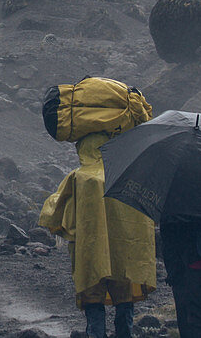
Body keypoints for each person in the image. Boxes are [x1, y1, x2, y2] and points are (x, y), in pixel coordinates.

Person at [39, 131, 156, 338]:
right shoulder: (126, 175)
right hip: (124, 252)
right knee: (124, 300)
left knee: (94, 302)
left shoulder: (79, 177)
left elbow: (57, 211)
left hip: (90, 252)